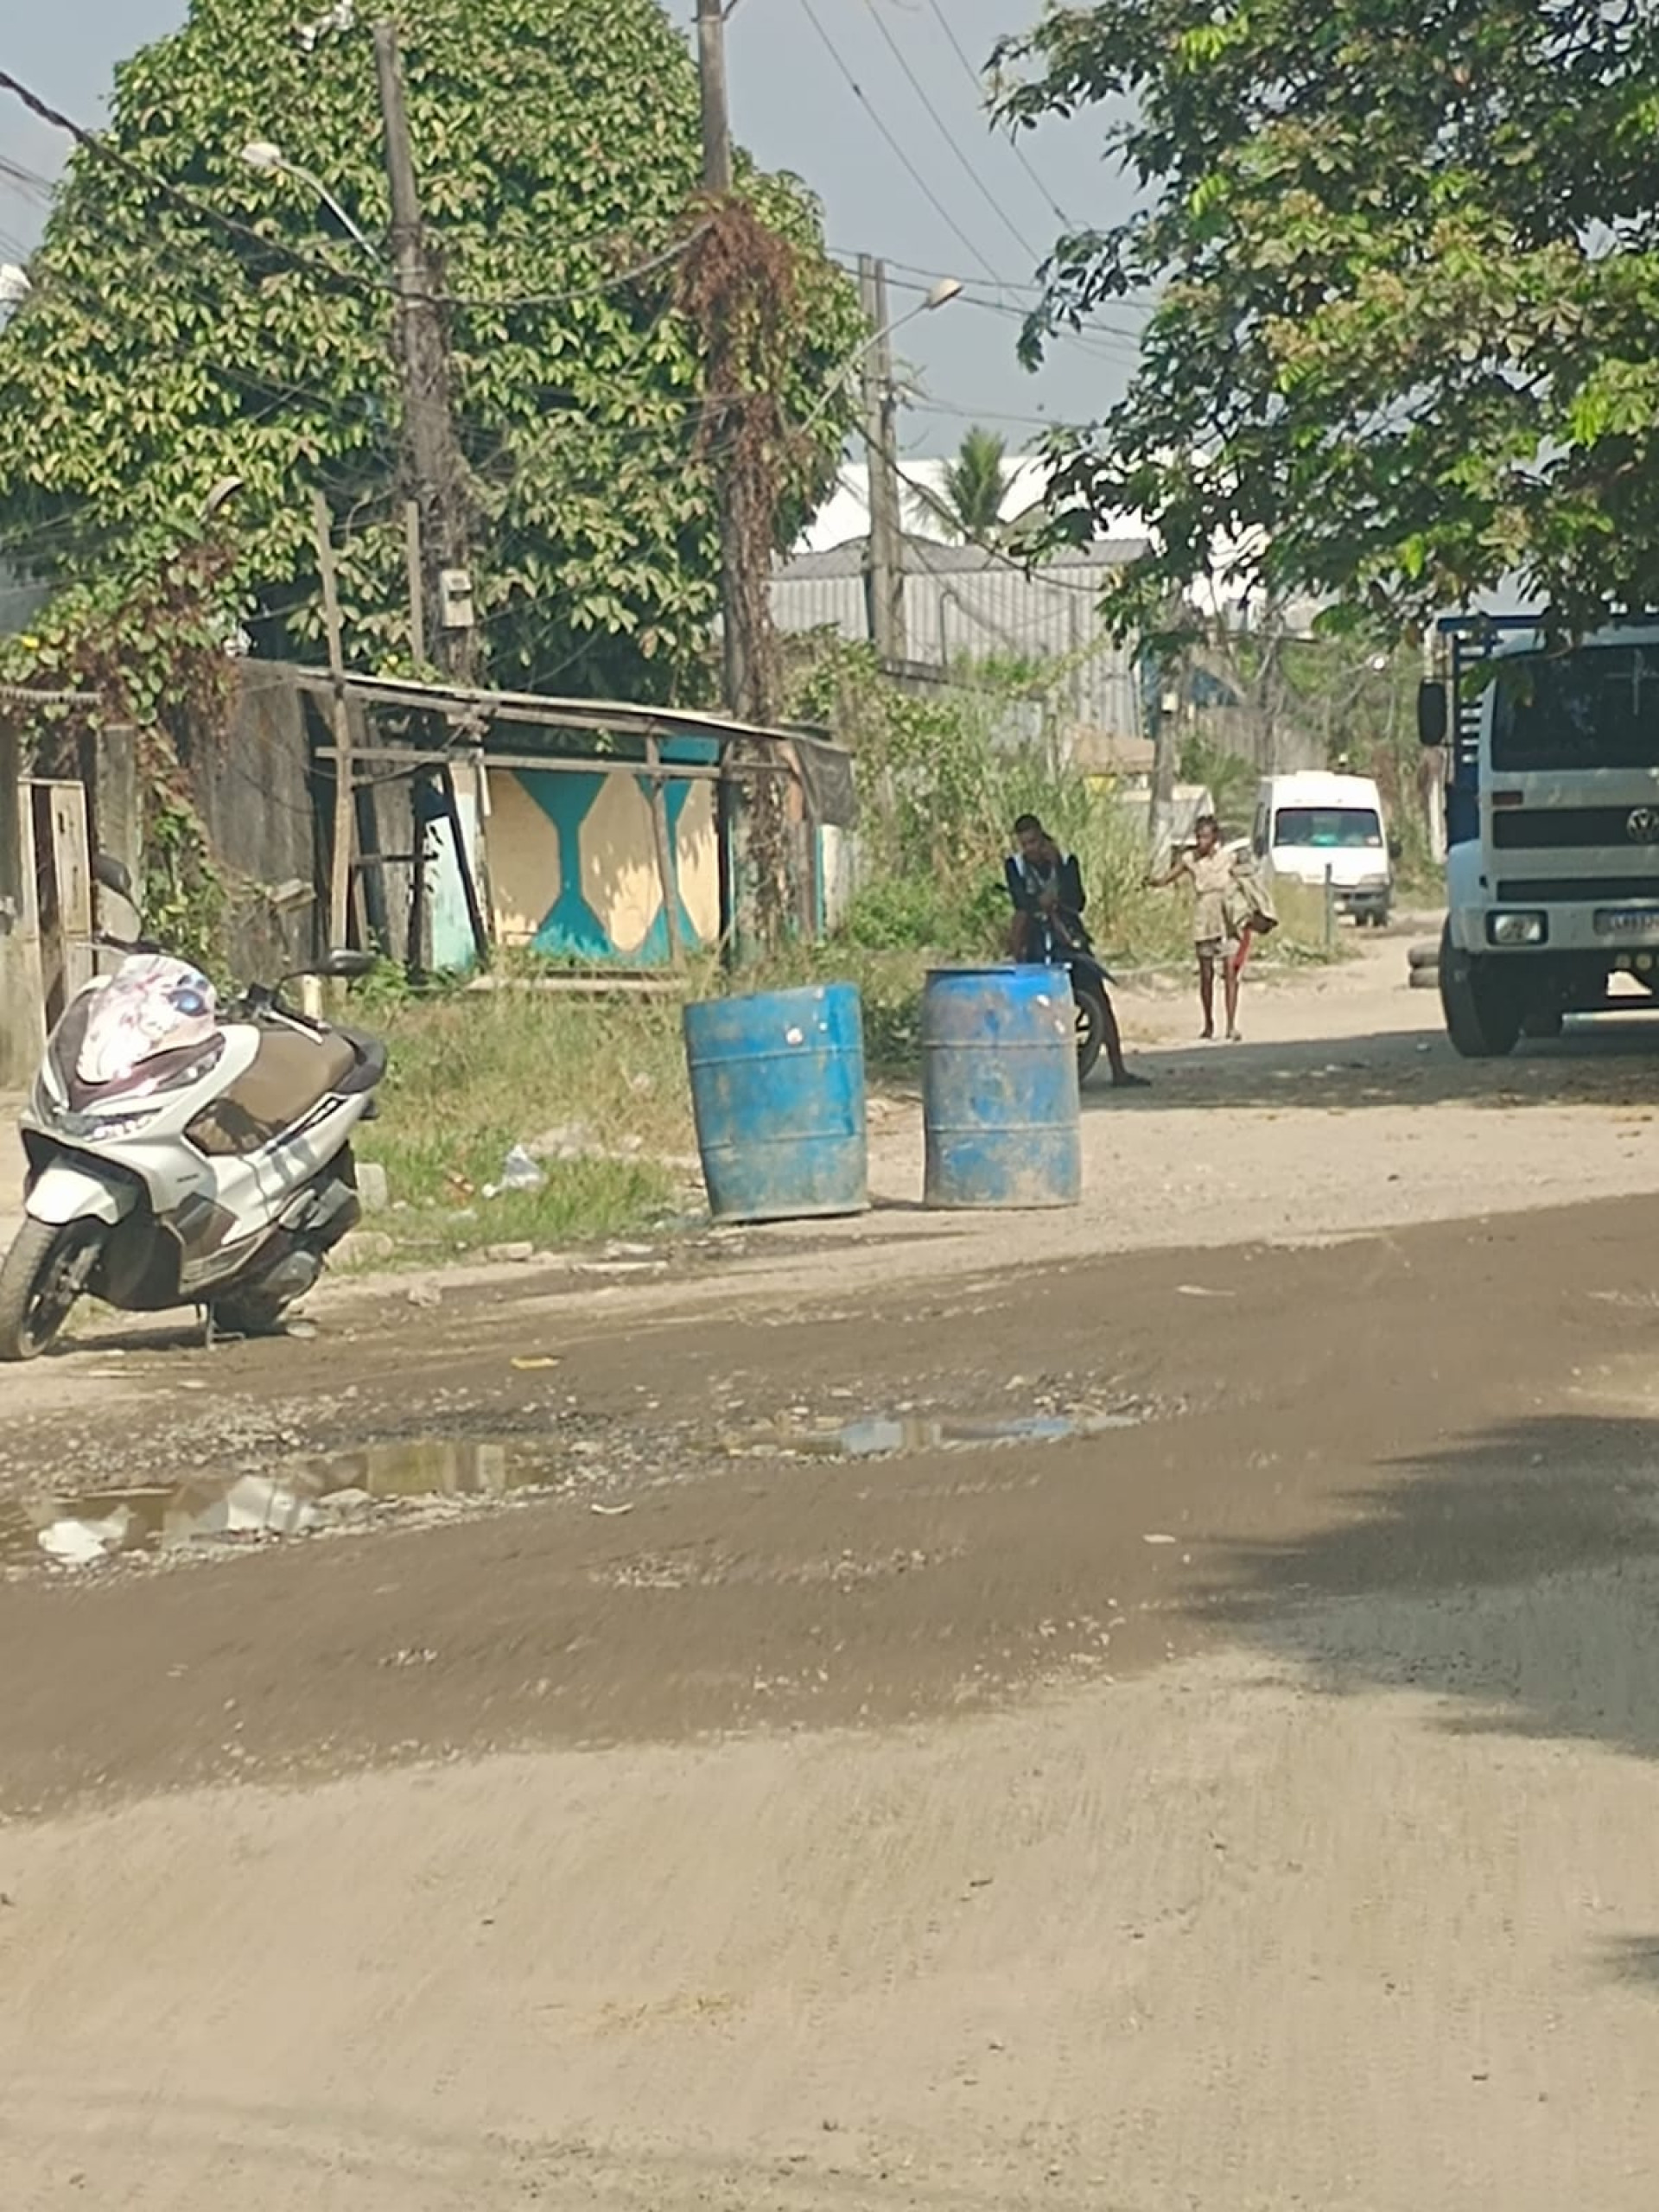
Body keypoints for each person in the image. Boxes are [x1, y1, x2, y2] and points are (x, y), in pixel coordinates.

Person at [1004, 814, 1147, 1088]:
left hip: (1068, 937)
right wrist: (1038, 904)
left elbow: (1077, 901)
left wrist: (1057, 866)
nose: (1030, 849)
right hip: (1035, 938)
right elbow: (1020, 901)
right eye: (1025, 844)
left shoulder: (1067, 861)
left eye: (1033, 842)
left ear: (1042, 837)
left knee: (1099, 997)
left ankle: (1119, 1069)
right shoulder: (1015, 866)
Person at [1146, 813, 1254, 1042]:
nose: (1201, 842)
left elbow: (1247, 880)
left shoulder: (1228, 858)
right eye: (1198, 837)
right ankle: (1208, 1023)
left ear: (1215, 838)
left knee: (1230, 974)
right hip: (1204, 919)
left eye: (1205, 837)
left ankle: (1232, 1025)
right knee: (1206, 975)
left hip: (1226, 919)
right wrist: (1153, 881)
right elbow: (1169, 877)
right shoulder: (1189, 859)